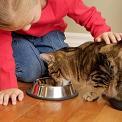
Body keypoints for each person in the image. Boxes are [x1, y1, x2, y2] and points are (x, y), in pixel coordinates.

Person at [0, 0, 122, 106]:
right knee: (31, 71)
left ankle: (34, 57)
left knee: (64, 64)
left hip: (50, 32)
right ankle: (24, 51)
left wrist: (102, 31)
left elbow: (86, 14)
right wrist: (8, 85)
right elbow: (2, 48)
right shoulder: (8, 12)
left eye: (30, 20)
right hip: (15, 38)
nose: (26, 28)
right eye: (21, 24)